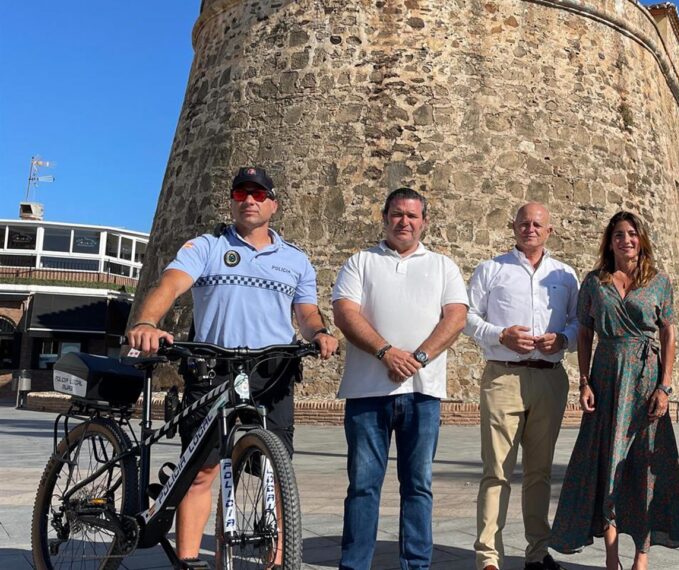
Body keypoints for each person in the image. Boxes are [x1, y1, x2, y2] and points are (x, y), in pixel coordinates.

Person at [127, 166, 339, 568]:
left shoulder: (295, 259)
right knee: (202, 472)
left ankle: (278, 560)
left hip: (271, 369)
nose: (250, 201)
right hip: (214, 366)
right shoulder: (205, 247)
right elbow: (171, 284)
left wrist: (319, 333)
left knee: (275, 473)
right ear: (232, 201)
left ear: (273, 204)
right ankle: (189, 560)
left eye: (259, 194)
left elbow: (307, 311)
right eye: (241, 193)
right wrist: (146, 322)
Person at [333, 187, 469, 570]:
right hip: (367, 392)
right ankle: (355, 563)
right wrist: (385, 351)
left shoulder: (443, 266)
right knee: (362, 486)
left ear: (424, 221)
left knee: (418, 487)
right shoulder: (361, 262)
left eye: (412, 215)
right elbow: (345, 313)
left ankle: (416, 564)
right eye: (397, 214)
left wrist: (419, 358)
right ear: (384, 217)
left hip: (423, 393)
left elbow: (455, 317)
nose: (404, 221)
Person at [551, 210, 679, 570]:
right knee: (606, 463)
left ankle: (641, 556)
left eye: (632, 234)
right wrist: (584, 380)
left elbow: (669, 333)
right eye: (618, 235)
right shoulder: (594, 282)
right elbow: (584, 332)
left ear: (640, 239)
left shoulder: (658, 282)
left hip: (645, 382)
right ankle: (611, 556)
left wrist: (665, 386)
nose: (626, 240)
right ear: (609, 241)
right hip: (607, 378)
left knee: (644, 465)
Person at [465, 202, 580, 570]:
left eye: (537, 224)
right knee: (496, 470)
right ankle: (488, 557)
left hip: (550, 379)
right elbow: (467, 317)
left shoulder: (566, 275)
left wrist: (563, 339)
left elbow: (579, 322)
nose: (530, 229)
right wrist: (500, 335)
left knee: (540, 471)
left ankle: (537, 552)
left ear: (550, 231)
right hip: (503, 376)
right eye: (523, 223)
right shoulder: (491, 269)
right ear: (513, 227)